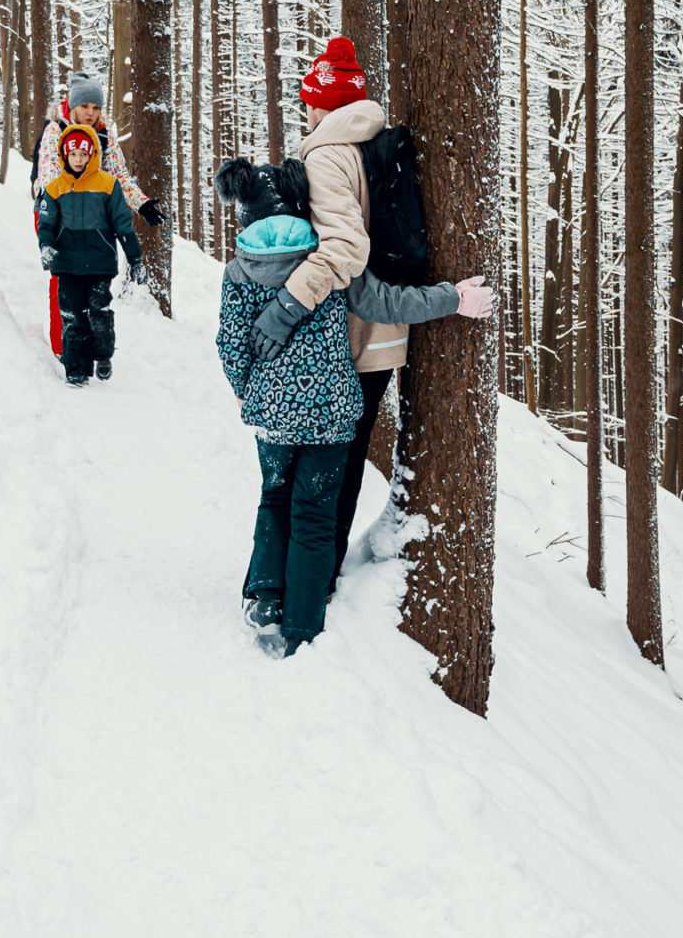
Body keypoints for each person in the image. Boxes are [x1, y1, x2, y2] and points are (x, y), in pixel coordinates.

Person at [214, 159, 491, 655]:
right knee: (315, 516)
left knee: (274, 498)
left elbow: (230, 343)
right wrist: (452, 298)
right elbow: (388, 303)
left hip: (273, 418)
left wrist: (244, 387)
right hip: (330, 415)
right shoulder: (329, 263)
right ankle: (302, 625)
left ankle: (263, 597)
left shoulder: (239, 272)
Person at [267, 36, 403, 574]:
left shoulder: (326, 154)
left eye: (309, 98)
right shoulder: (371, 141)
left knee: (328, 464)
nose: (305, 107)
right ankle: (320, 571)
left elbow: (347, 247)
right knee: (343, 456)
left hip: (350, 328)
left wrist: (288, 303)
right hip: (387, 325)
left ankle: (314, 578)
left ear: (322, 104)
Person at [33, 72, 160, 355]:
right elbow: (51, 178)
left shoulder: (104, 134)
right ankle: (63, 347)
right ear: (72, 105)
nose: (90, 113)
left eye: (95, 107)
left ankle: (86, 344)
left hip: (92, 216)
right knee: (63, 280)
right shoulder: (55, 130)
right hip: (56, 214)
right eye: (85, 107)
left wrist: (141, 203)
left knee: (92, 281)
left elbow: (119, 175)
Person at [37, 122, 143, 386]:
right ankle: (76, 370)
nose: (77, 159)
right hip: (67, 263)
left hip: (99, 263)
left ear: (92, 154)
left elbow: (123, 224)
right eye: (72, 154)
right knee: (72, 317)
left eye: (83, 154)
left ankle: (103, 355)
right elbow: (47, 224)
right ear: (64, 155)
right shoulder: (55, 188)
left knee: (98, 312)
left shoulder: (108, 185)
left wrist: (135, 258)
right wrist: (46, 246)